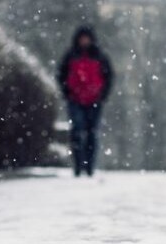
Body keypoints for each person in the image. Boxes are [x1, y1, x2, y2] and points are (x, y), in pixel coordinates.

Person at [57, 26, 113, 178]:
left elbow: (108, 77)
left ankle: (89, 166)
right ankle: (78, 165)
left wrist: (102, 95)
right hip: (75, 100)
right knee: (77, 131)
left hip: (94, 100)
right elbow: (61, 75)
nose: (84, 41)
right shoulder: (70, 56)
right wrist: (67, 93)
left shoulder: (100, 56)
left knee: (91, 134)